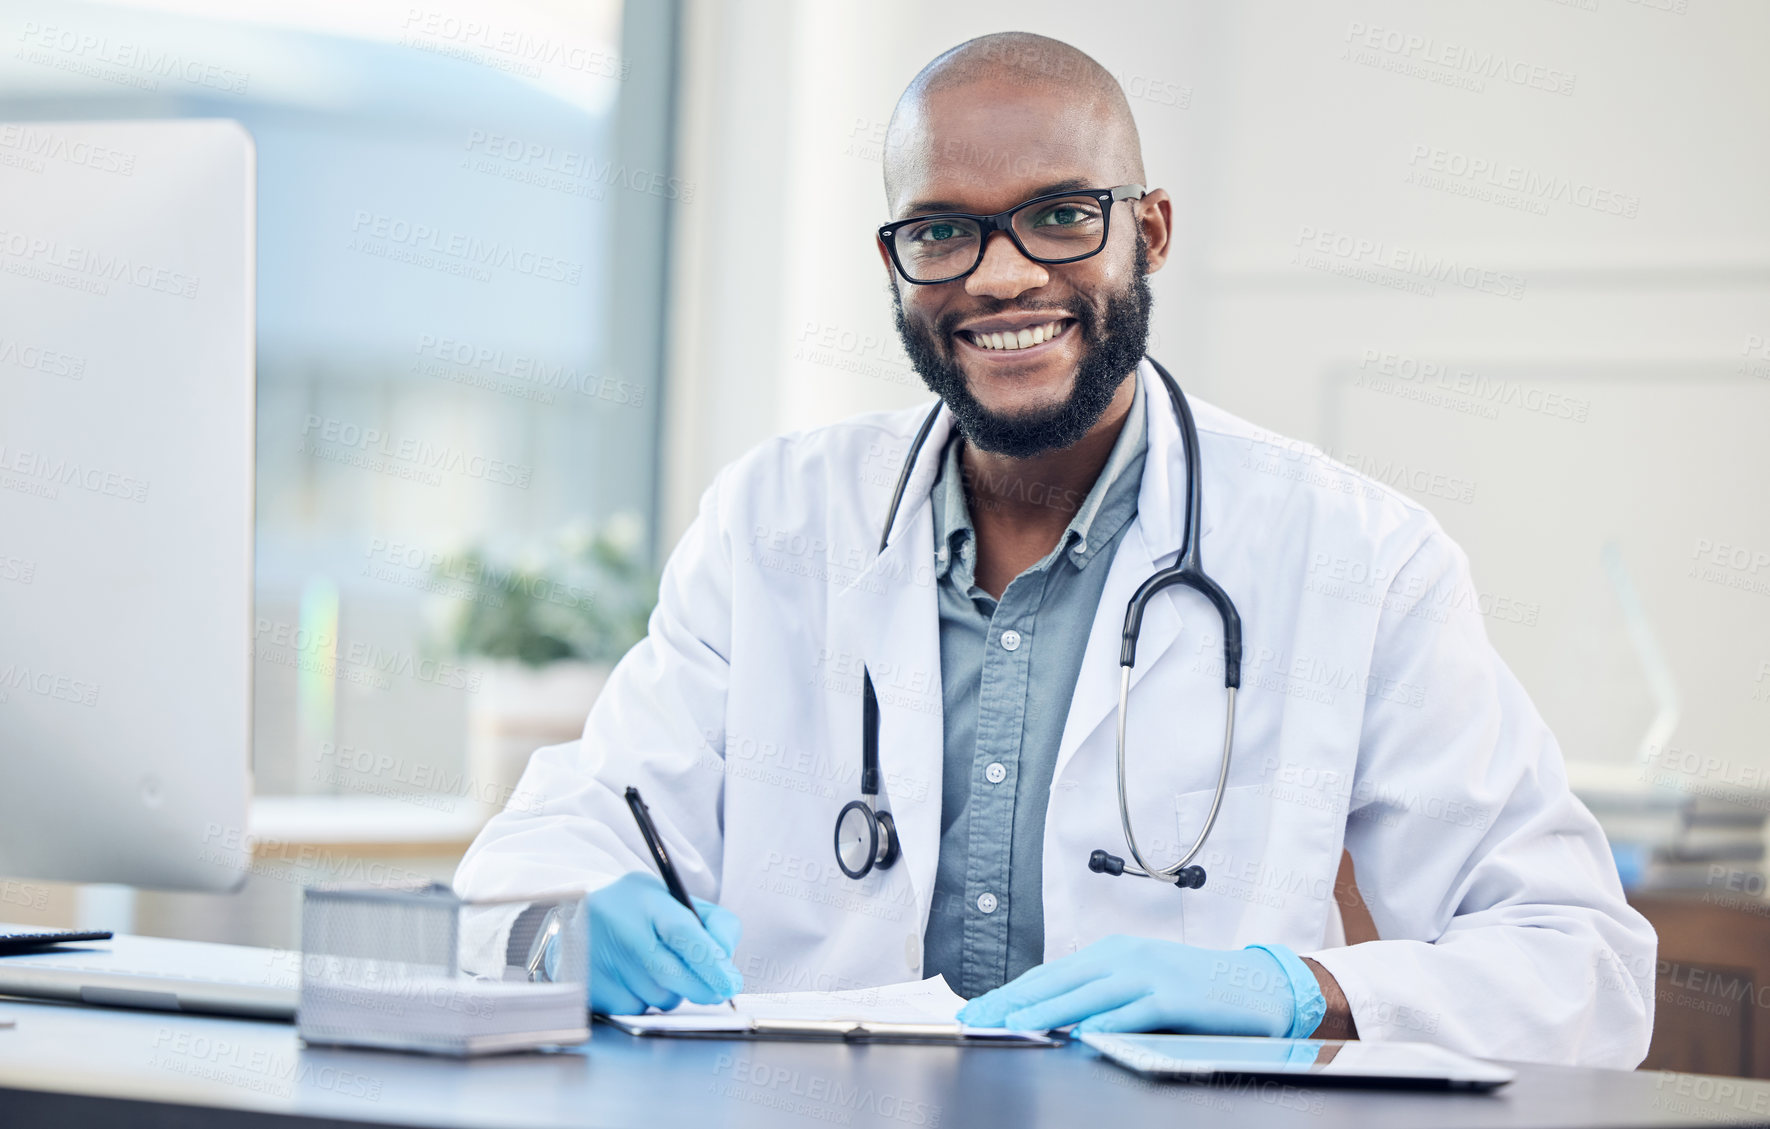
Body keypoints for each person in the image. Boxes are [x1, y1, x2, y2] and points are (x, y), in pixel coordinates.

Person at [454, 31, 1655, 1066]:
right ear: (894, 263)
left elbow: (1583, 967)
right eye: (944, 231)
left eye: (1062, 216)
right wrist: (565, 910)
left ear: (1153, 231)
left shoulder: (1356, 553)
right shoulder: (774, 521)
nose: (1005, 274)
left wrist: (1296, 988)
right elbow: (544, 850)